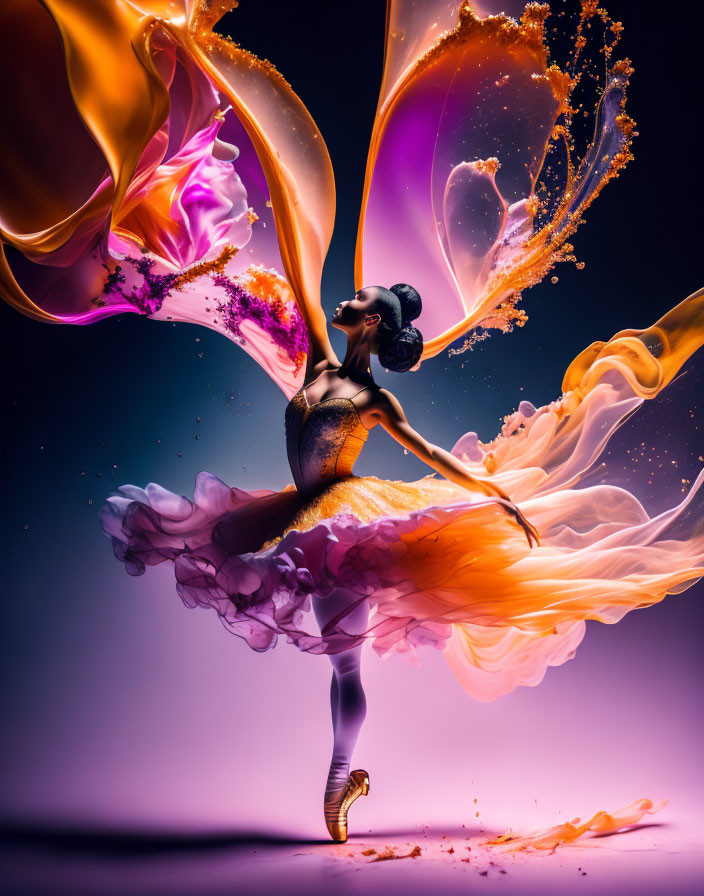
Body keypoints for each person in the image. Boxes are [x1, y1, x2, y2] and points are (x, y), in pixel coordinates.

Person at [2, 0, 703, 844]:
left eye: (360, 300)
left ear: (375, 323)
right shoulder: (304, 353)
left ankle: (338, 778)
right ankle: (342, 774)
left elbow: (427, 454)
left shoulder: (369, 396)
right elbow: (233, 287)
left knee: (344, 653)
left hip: (344, 518)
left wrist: (492, 495)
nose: (348, 296)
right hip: (298, 512)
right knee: (336, 648)